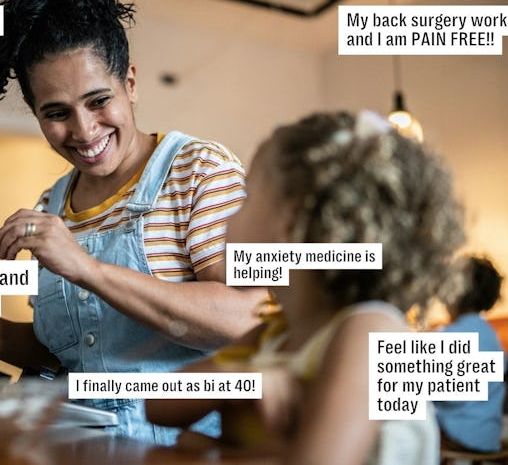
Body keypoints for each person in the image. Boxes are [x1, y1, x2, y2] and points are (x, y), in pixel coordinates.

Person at [0, 0, 266, 445]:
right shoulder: (52, 204)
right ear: (36, 113)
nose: (84, 131)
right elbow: (69, 359)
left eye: (98, 100)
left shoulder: (199, 171)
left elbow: (247, 318)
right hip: (75, 447)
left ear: (130, 83)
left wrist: (87, 268)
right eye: (56, 113)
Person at [146, 111, 466, 464]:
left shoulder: (369, 330)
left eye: (247, 197)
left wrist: (210, 453)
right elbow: (158, 404)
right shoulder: (273, 334)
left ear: (291, 219)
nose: (230, 216)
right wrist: (237, 376)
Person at [434, 255, 507, 453]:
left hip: (459, 433)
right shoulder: (491, 335)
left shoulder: (450, 336)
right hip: (489, 435)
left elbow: (449, 395)